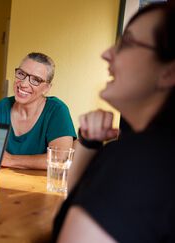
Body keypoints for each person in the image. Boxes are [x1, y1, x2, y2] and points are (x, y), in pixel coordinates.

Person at [53, 2, 175, 242]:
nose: (107, 53)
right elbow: (86, 208)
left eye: (127, 43)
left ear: (169, 73)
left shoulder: (139, 160)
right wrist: (88, 143)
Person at [0, 52, 76, 170]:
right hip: (5, 182)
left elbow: (60, 158)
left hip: (38, 186)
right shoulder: (4, 105)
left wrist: (11, 160)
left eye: (36, 80)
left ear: (47, 88)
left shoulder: (57, 110)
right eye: (21, 74)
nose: (23, 84)